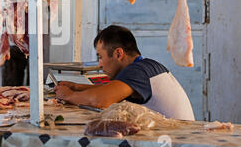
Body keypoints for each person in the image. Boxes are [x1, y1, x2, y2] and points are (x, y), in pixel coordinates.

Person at [54, 25, 195, 121]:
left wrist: (68, 95)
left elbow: (100, 100)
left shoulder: (138, 71)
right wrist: (77, 87)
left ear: (118, 53)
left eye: (100, 57)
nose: (99, 64)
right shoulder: (147, 66)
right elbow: (110, 90)